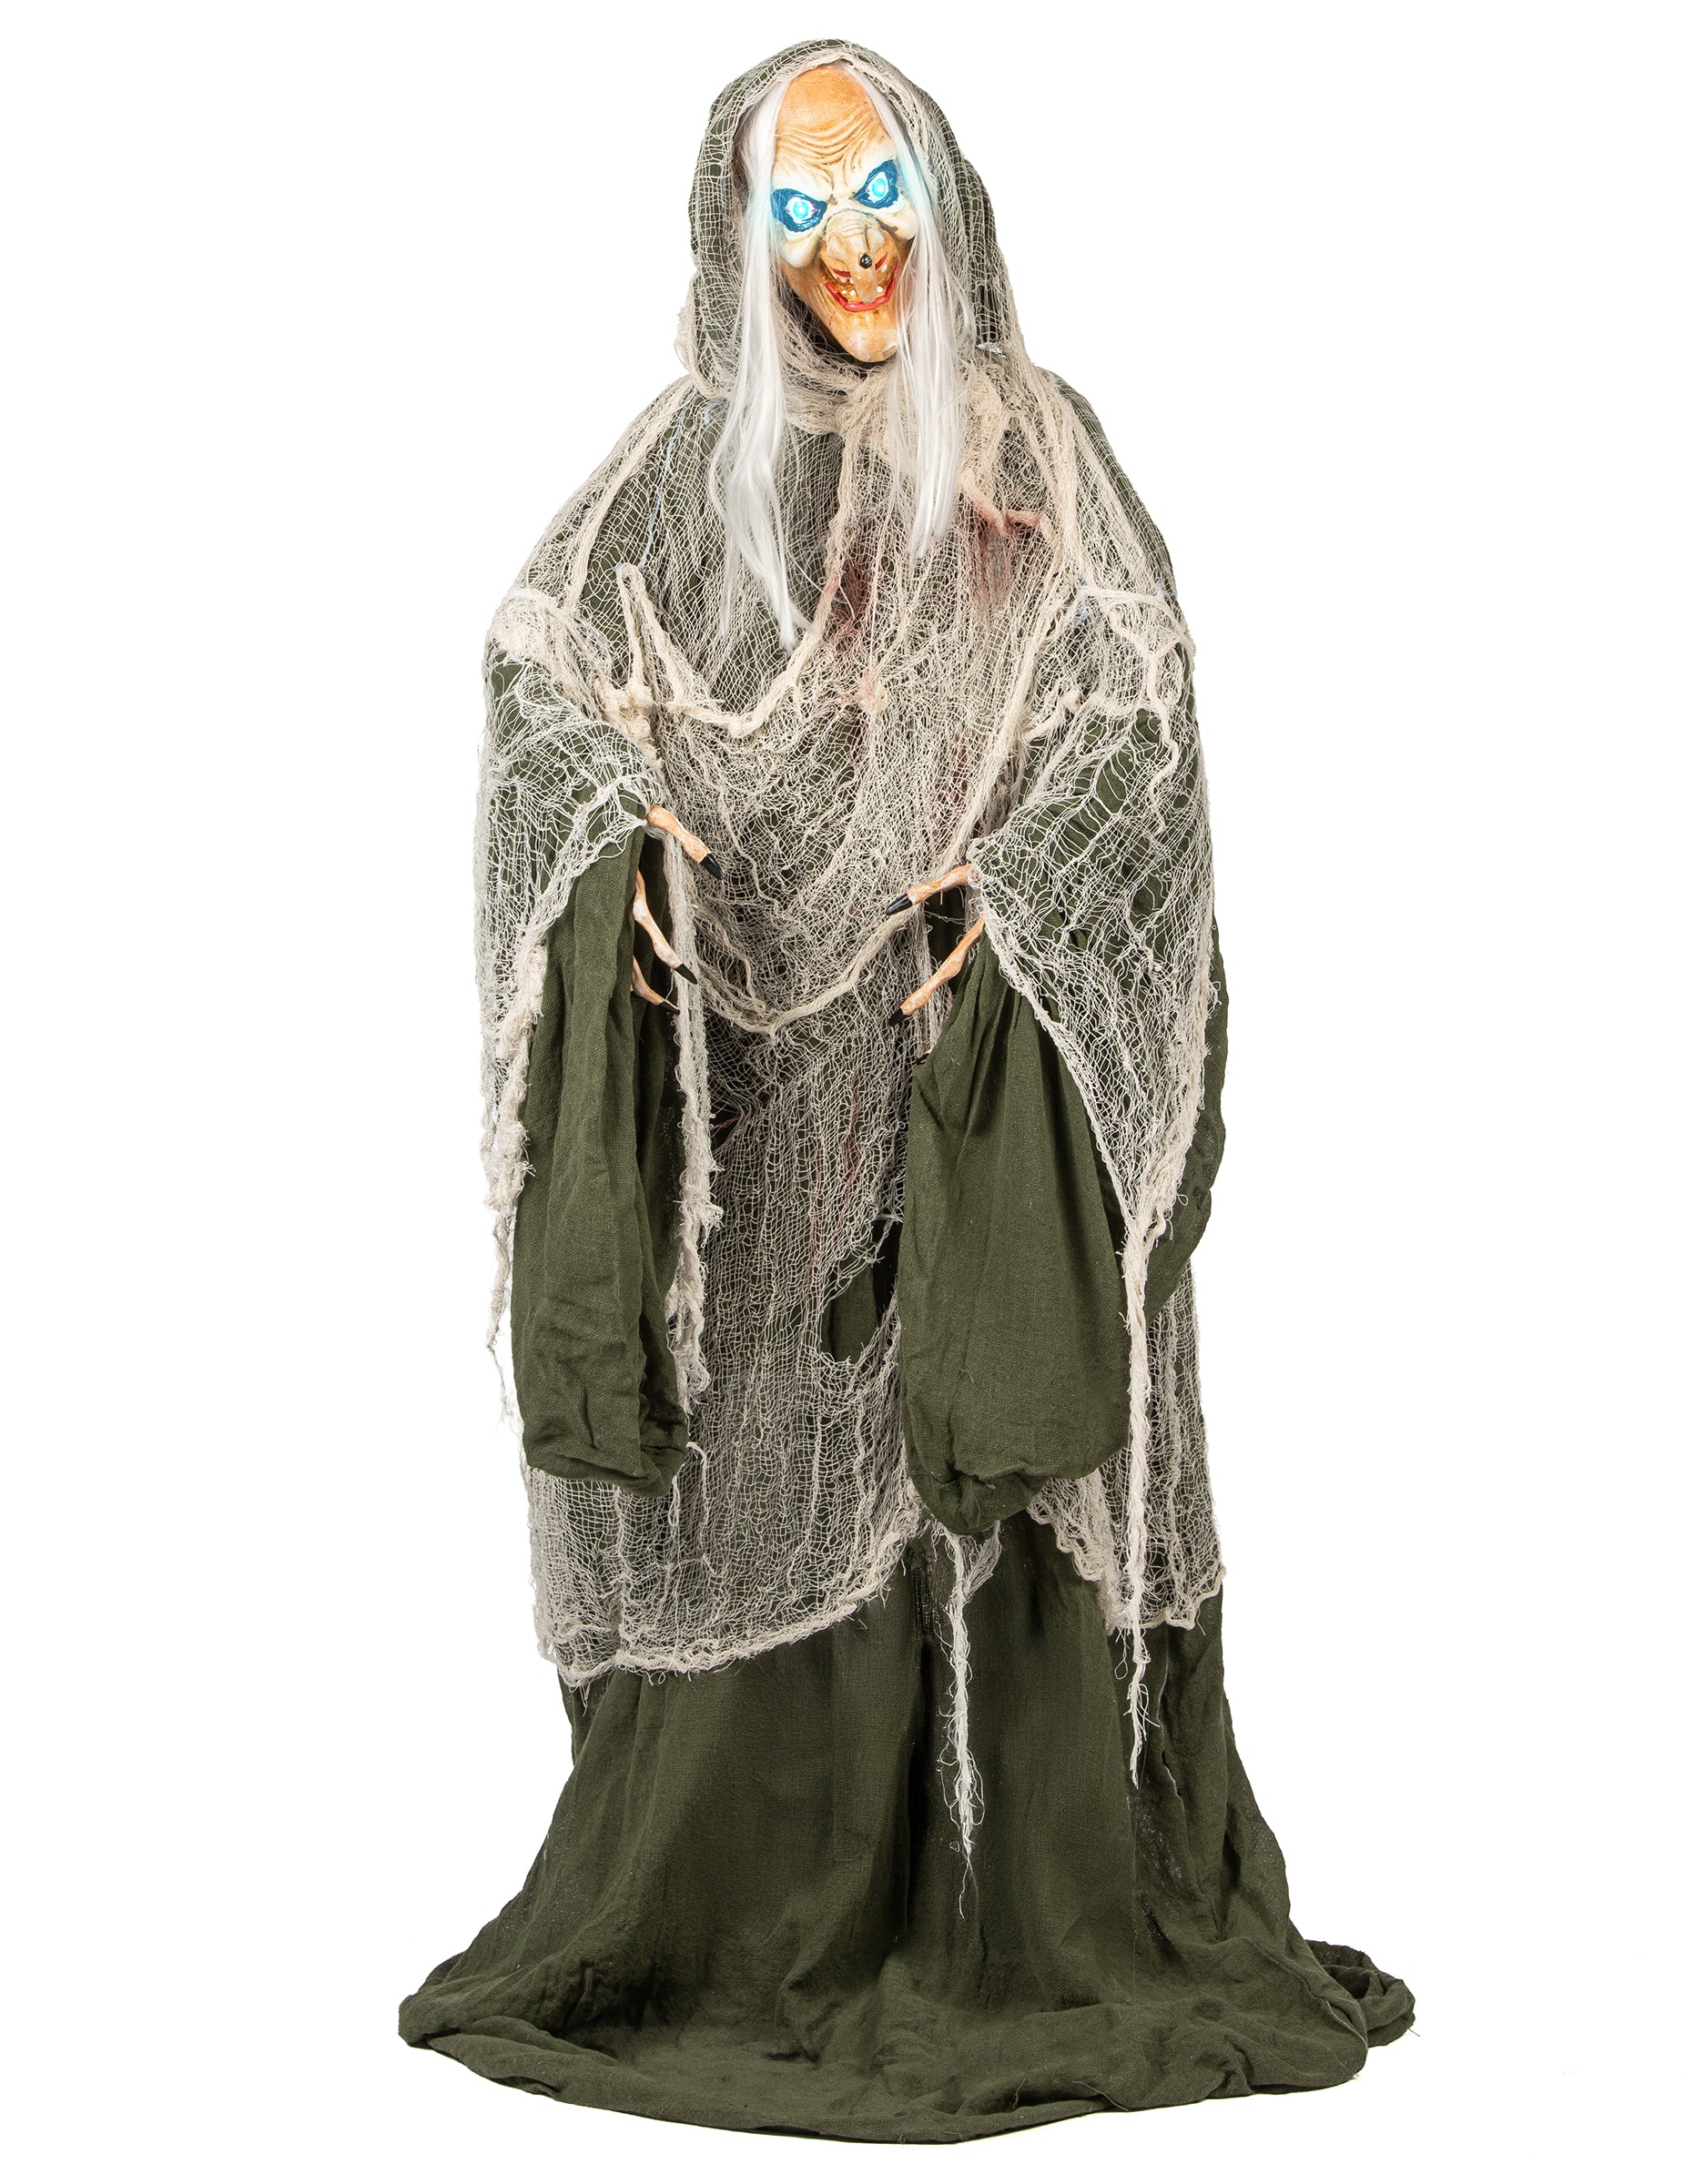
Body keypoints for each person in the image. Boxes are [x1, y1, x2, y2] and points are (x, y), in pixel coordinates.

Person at [400, 39, 1412, 2140]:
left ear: (946, 210)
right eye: (798, 207)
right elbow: (543, 673)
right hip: (764, 1120)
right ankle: (731, 1910)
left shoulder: (1049, 450)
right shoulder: (673, 475)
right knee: (767, 1453)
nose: (849, 247)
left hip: (965, 1085)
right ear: (734, 235)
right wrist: (618, 843)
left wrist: (1016, 900)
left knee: (984, 1438)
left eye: (879, 200)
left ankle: (1022, 1905)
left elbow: (1135, 733)